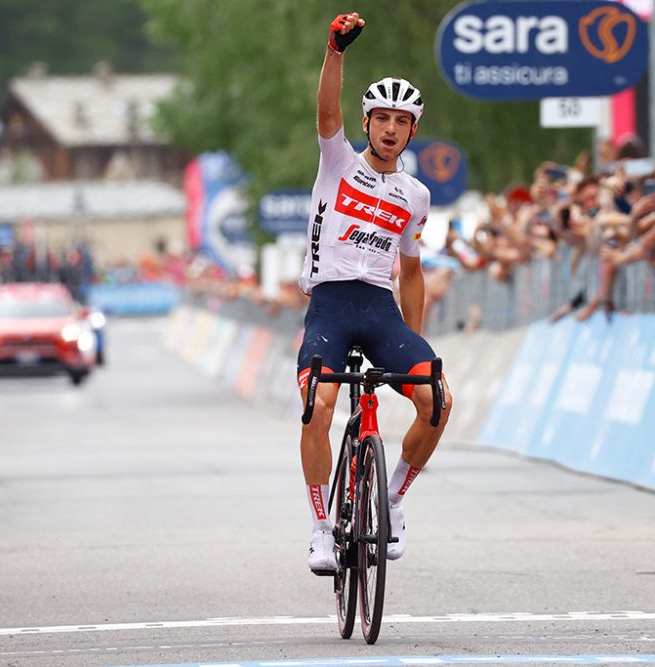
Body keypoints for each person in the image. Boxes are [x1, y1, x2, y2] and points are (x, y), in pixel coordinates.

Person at [297, 11, 452, 574]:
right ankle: (319, 529)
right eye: (381, 118)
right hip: (331, 305)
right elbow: (326, 111)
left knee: (438, 399)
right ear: (366, 123)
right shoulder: (337, 163)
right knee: (319, 404)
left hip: (380, 310)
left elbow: (410, 272)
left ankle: (390, 499)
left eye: (401, 120)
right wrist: (335, 51)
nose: (390, 128)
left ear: (413, 129)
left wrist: (412, 340)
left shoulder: (415, 194)